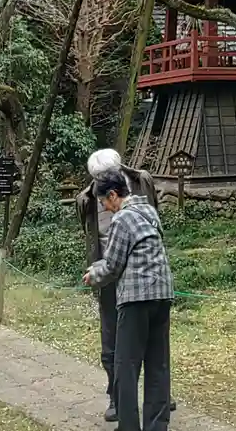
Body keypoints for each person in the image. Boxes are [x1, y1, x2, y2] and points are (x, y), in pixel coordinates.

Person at [82, 171, 173, 431]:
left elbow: (113, 265)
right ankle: (157, 427)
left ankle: (129, 426)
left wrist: (92, 274)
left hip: (136, 299)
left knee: (126, 367)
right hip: (162, 294)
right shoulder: (149, 212)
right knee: (158, 366)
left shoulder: (122, 219)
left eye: (104, 202)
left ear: (113, 195)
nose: (104, 208)